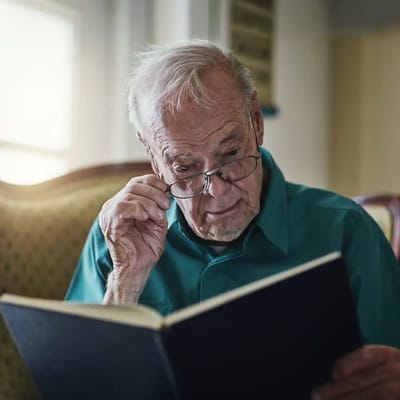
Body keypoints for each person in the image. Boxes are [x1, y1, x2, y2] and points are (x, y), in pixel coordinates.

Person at [66, 40, 400, 399]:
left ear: (256, 122)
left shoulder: (346, 231)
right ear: (152, 155)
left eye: (231, 153)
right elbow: (73, 388)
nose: (219, 191)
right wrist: (124, 284)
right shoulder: (117, 240)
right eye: (185, 168)